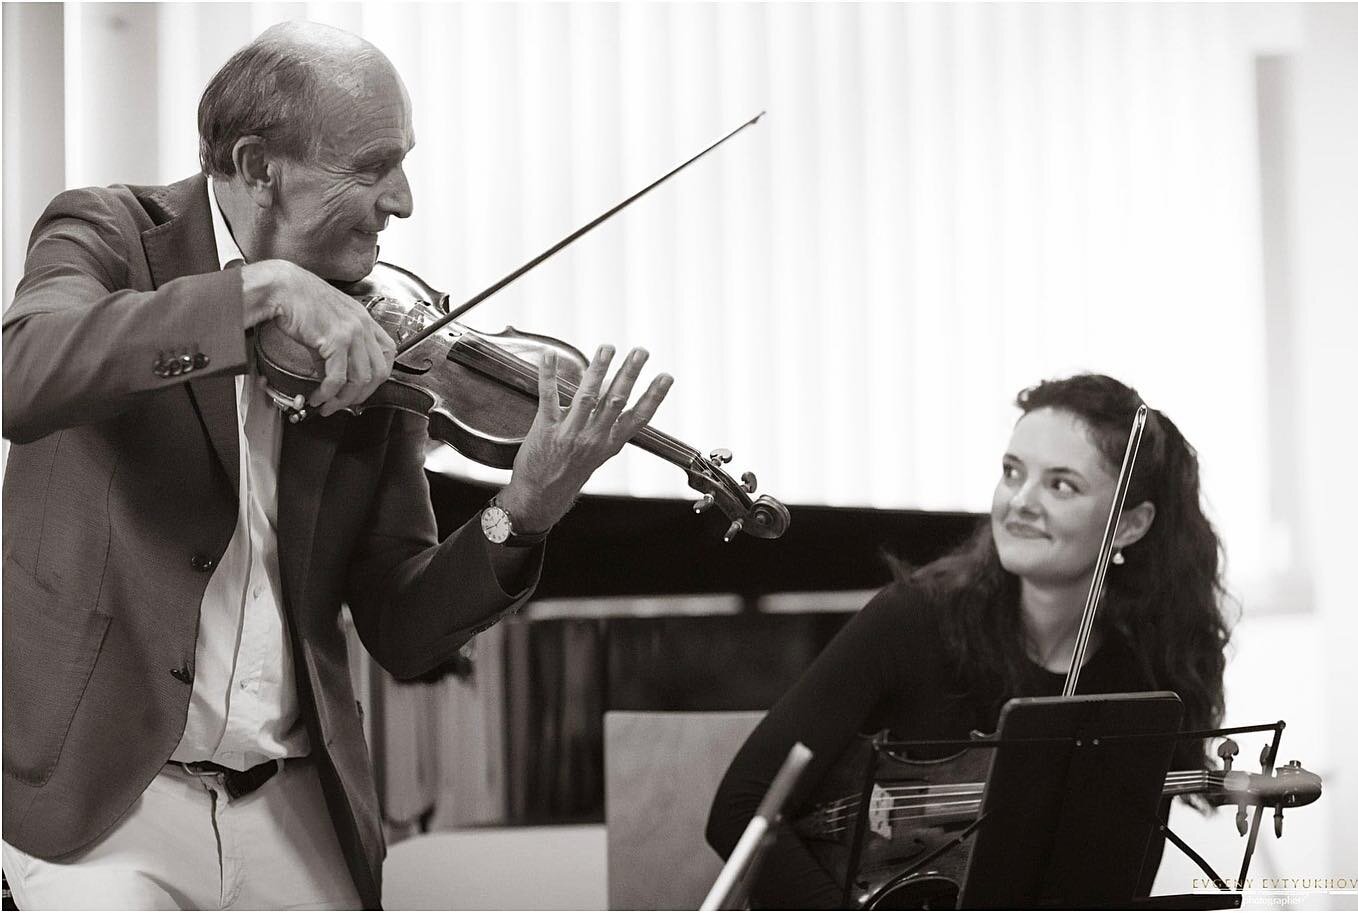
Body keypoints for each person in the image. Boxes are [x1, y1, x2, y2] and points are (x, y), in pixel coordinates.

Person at [1, 21, 671, 910]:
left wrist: (527, 507)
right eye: (371, 166)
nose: (402, 201)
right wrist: (261, 291)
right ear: (256, 163)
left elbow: (400, 621)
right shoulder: (113, 233)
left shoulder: (383, 335)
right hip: (106, 801)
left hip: (289, 800)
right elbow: (24, 372)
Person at [706, 373, 1232, 909]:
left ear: (1129, 526)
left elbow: (1109, 886)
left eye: (1061, 485)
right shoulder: (912, 620)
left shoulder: (1138, 680)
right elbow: (739, 807)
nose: (1019, 502)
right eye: (1012, 473)